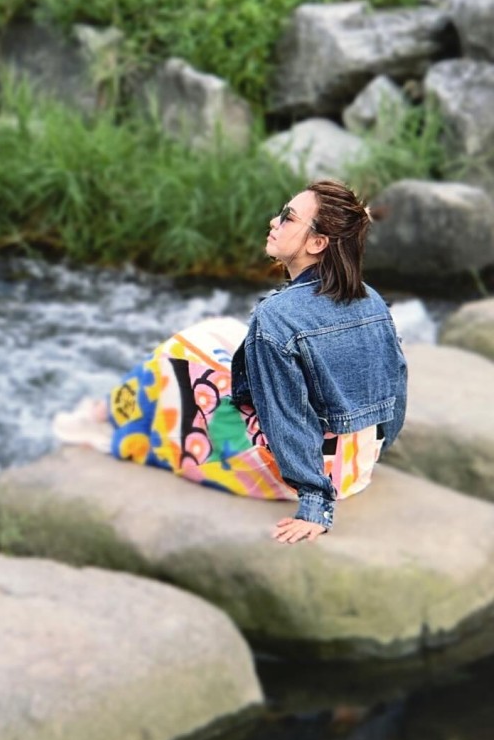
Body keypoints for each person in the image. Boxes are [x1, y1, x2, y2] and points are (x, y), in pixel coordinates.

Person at [54, 179, 408, 545]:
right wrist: (372, 451)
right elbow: (396, 390)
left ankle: (113, 413)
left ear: (318, 244)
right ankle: (115, 410)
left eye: (287, 218)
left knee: (175, 355)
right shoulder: (371, 300)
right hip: (353, 469)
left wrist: (315, 506)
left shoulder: (278, 315)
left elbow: (286, 414)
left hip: (296, 474)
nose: (274, 221)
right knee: (218, 329)